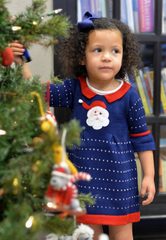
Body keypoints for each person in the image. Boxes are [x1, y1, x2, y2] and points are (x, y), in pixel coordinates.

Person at [10, 11, 156, 240]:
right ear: (81, 56)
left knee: (122, 234)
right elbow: (35, 93)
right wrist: (22, 62)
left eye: (114, 51)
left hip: (121, 181)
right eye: (98, 50)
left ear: (123, 56)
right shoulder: (73, 89)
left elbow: (142, 137)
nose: (107, 57)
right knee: (89, 233)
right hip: (84, 177)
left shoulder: (130, 96)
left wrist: (149, 175)